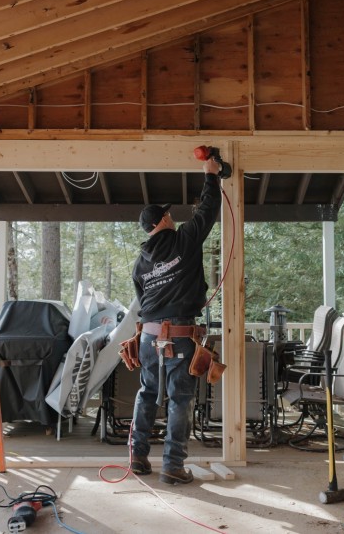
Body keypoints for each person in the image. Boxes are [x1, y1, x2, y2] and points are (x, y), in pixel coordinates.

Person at [130, 155, 221, 485]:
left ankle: (138, 457)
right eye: (168, 213)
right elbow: (208, 210)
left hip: (148, 339)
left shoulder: (140, 265)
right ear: (165, 219)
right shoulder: (184, 239)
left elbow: (143, 305)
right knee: (179, 399)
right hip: (178, 337)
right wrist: (211, 175)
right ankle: (172, 465)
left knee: (146, 394)